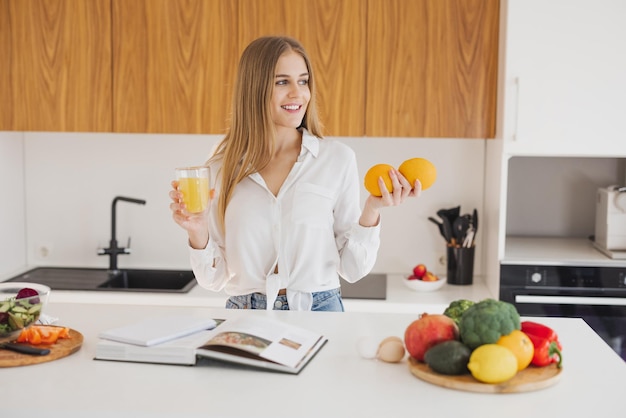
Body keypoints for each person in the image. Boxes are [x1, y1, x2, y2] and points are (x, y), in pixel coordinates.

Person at [169, 36, 421, 311]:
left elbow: (352, 268)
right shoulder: (221, 168)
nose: (298, 93)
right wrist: (198, 231)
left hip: (319, 310)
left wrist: (372, 210)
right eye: (282, 82)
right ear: (254, 88)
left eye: (303, 81)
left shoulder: (336, 159)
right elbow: (213, 279)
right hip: (245, 315)